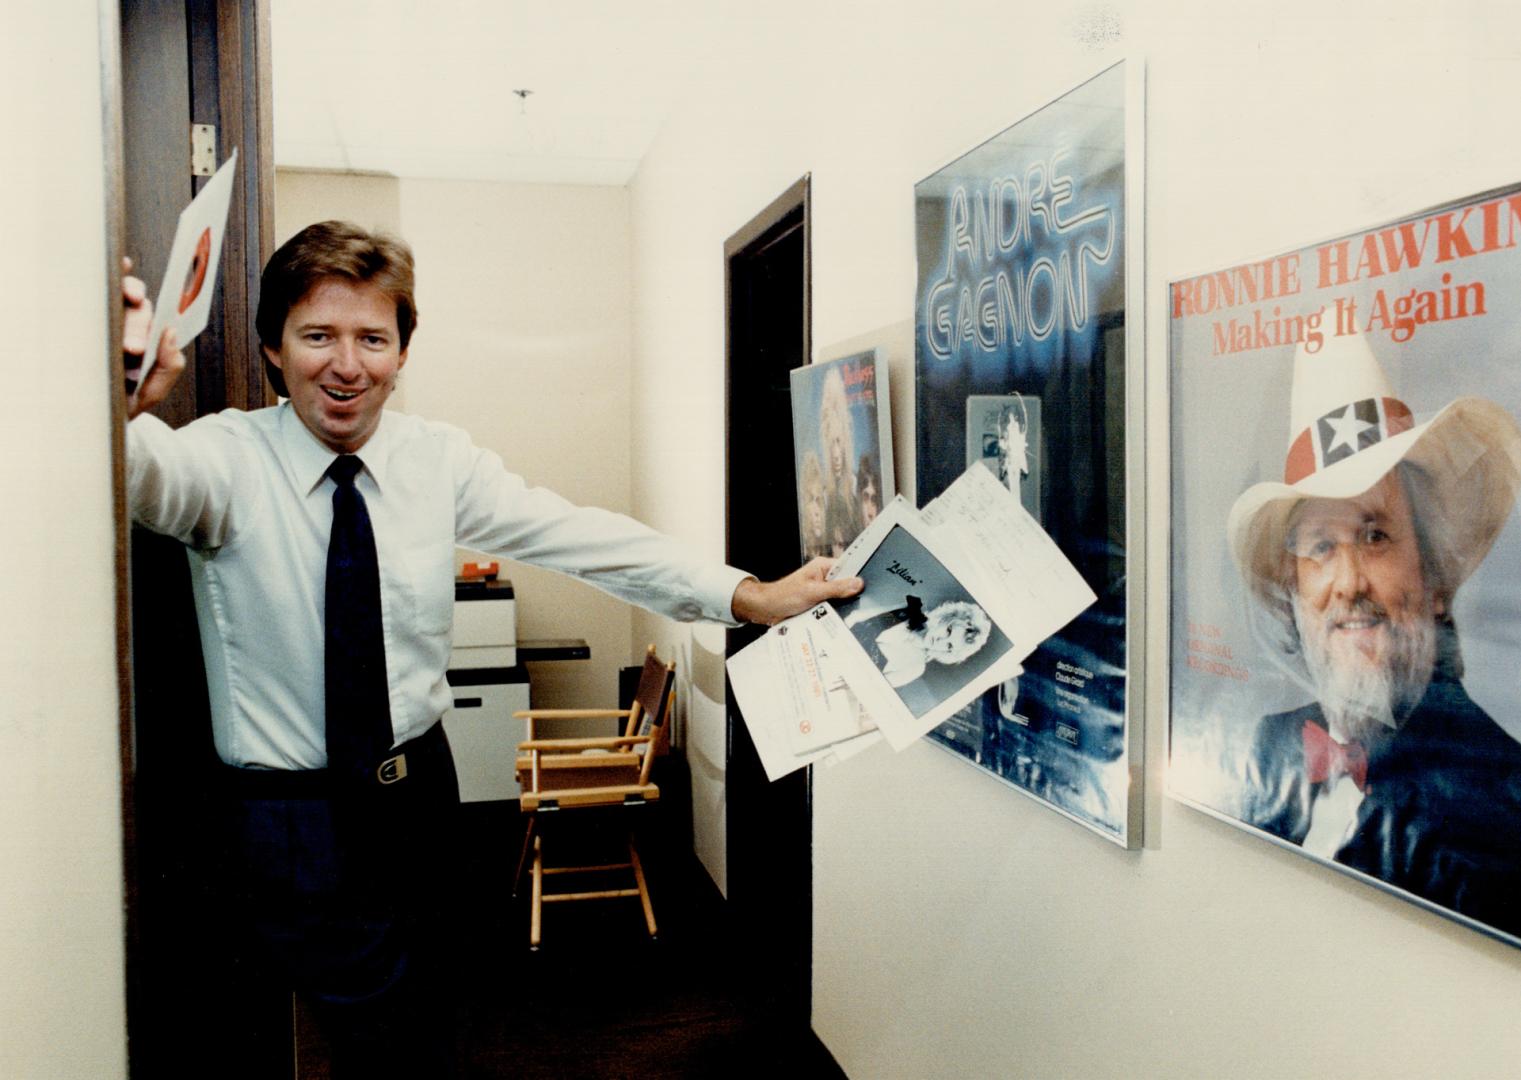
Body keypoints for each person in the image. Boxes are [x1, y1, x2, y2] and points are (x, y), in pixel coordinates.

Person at [121, 221, 862, 1077]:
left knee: (437, 1009)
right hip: (293, 817)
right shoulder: (220, 461)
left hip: (422, 795)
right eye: (317, 336)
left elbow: (577, 535)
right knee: (374, 1034)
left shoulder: (436, 459)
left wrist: (747, 595)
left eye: (372, 338)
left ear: (402, 352)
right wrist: (122, 401)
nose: (346, 364)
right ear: (272, 350)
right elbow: (145, 478)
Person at [1227, 328, 1521, 935]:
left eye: (1374, 536)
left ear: (1434, 578)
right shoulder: (1270, 746)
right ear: (1296, 596)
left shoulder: (1502, 800)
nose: (1348, 582)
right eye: (1321, 547)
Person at [843, 594, 992, 689]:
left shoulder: (915, 667)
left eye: (949, 645)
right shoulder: (907, 612)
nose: (941, 640)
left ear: (949, 653)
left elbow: (870, 691)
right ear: (945, 617)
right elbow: (855, 617)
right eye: (948, 631)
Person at [818, 366, 861, 555]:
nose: (836, 454)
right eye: (831, 444)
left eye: (839, 442)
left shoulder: (856, 486)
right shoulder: (823, 495)